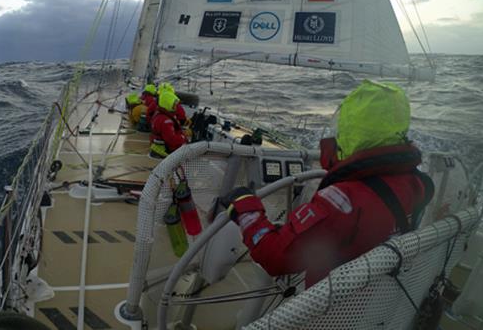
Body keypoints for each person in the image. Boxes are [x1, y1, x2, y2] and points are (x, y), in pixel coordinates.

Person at [221, 80, 434, 287]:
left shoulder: (342, 201)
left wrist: (245, 208)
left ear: (351, 134)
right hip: (378, 299)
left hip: (329, 310)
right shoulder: (419, 184)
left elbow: (274, 257)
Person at [149, 90, 189, 158]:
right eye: (174, 105)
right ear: (168, 104)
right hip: (166, 150)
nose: (176, 107)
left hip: (158, 147)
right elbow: (171, 140)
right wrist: (183, 136)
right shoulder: (166, 121)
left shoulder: (159, 115)